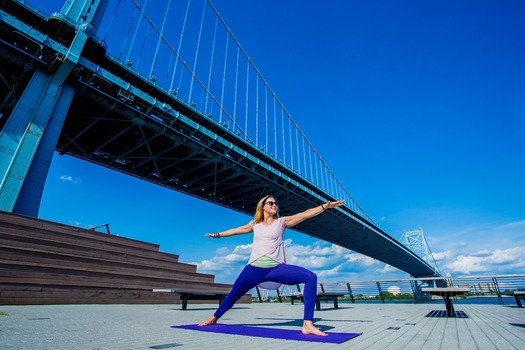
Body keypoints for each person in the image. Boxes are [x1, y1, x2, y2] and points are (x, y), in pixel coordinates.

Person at [198, 194, 345, 336]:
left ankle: (308, 324)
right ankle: (213, 318)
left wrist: (325, 206)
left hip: (275, 268)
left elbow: (305, 214)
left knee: (310, 277)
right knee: (234, 295)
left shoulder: (281, 222)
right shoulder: (255, 224)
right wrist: (217, 235)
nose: (274, 205)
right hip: (253, 269)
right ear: (263, 207)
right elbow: (235, 231)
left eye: (276, 203)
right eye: (271, 203)